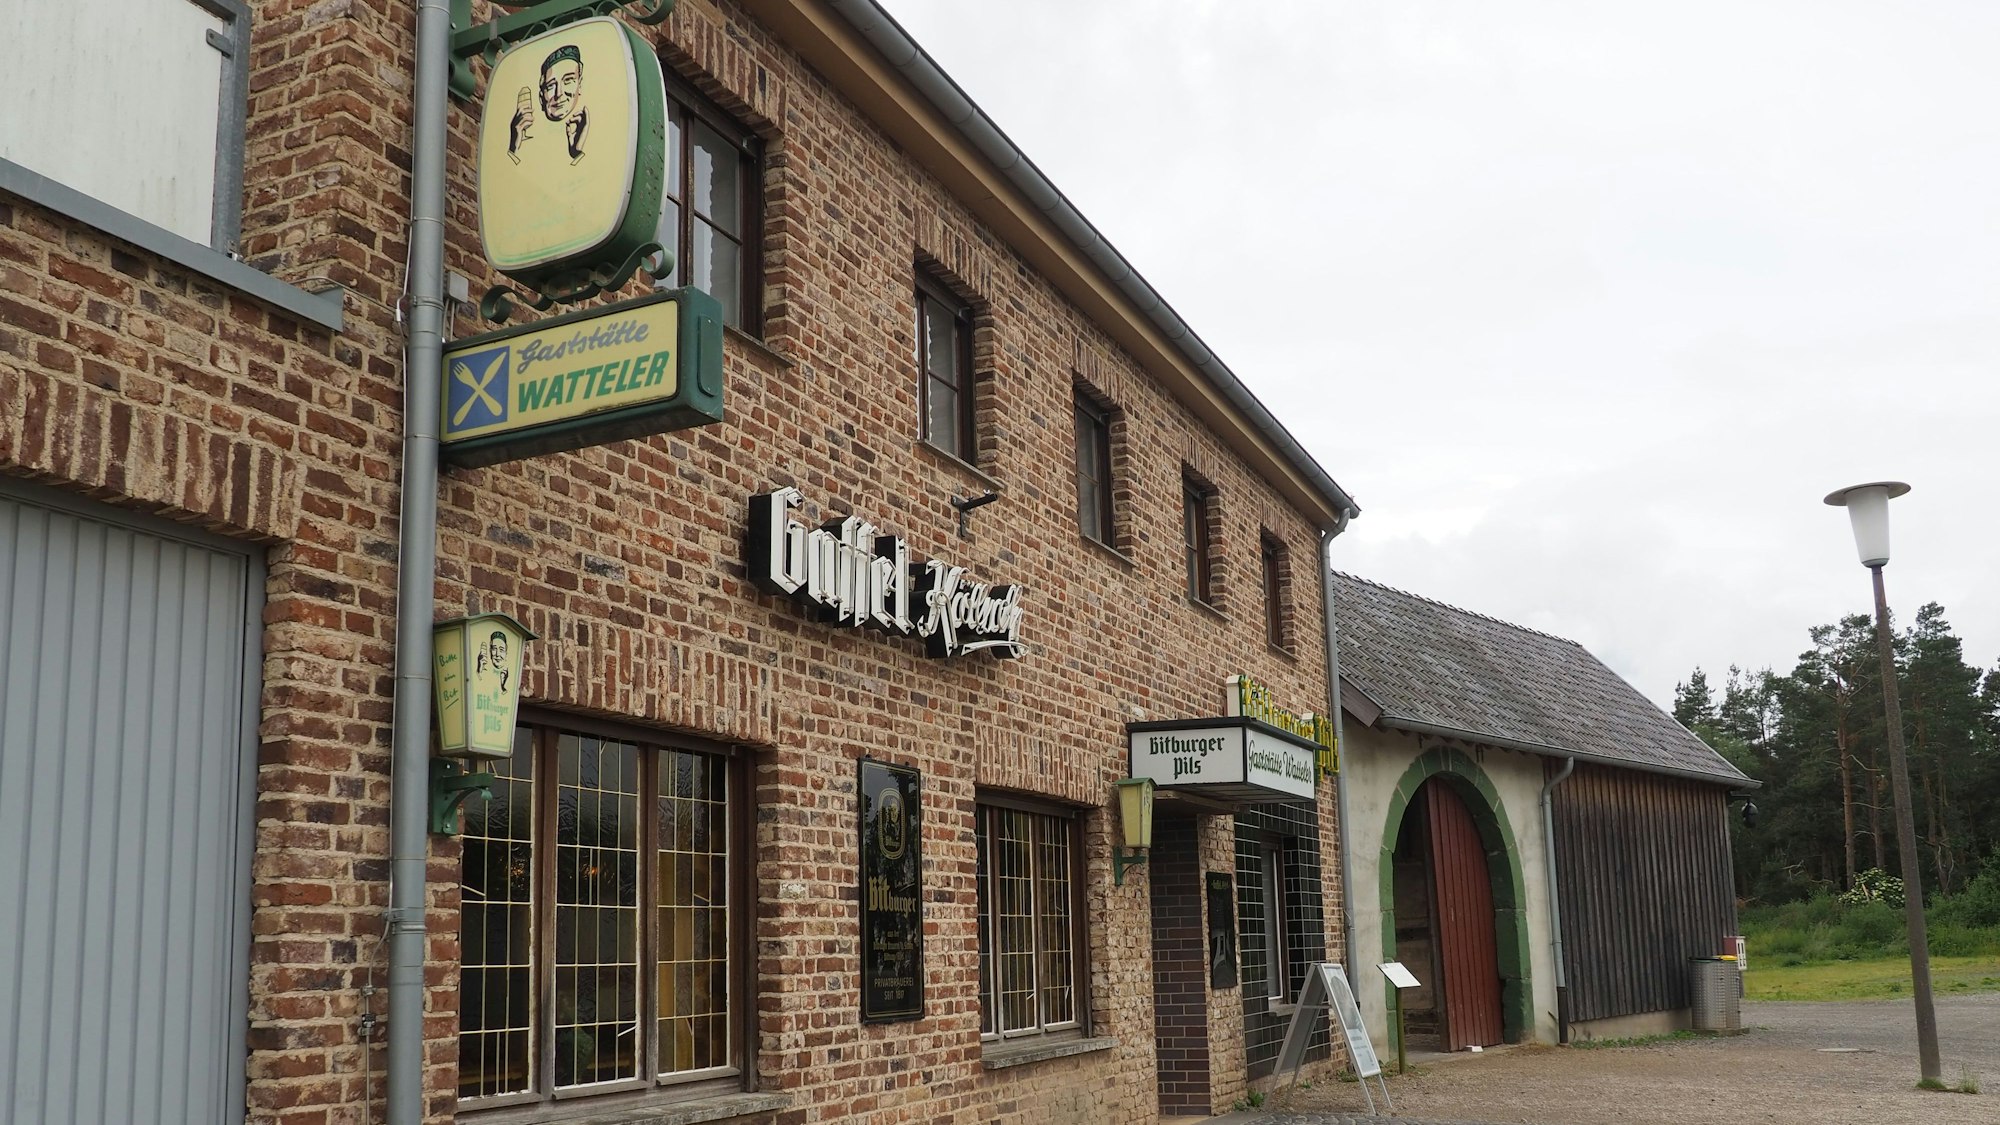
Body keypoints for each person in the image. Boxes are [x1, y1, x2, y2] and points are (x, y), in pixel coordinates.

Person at [509, 44, 588, 165]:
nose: (559, 93)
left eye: (568, 80)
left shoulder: (591, 133)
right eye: (551, 85)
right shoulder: (525, 144)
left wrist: (577, 153)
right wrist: (513, 147)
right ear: (541, 97)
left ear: (580, 84)